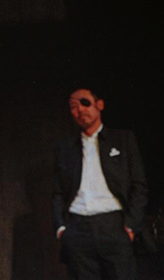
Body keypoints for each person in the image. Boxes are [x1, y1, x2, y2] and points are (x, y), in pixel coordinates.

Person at [52, 87, 148, 280]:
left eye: (85, 102)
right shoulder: (65, 148)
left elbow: (139, 185)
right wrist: (61, 228)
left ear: (100, 104)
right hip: (77, 228)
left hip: (114, 226)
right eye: (73, 106)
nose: (80, 109)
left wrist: (130, 226)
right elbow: (58, 192)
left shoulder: (123, 139)